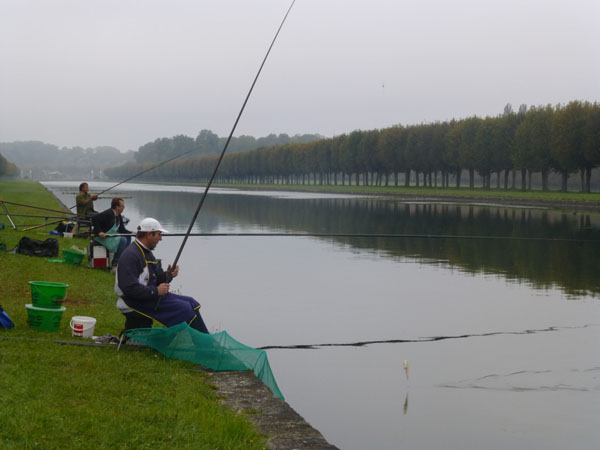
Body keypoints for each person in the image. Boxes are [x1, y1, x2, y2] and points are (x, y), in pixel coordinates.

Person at [115, 217, 209, 333]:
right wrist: (156, 291)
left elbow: (156, 279)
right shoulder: (131, 255)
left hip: (147, 296)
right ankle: (206, 346)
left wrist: (169, 275)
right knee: (184, 309)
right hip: (132, 301)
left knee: (191, 302)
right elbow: (128, 288)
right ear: (149, 234)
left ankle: (206, 342)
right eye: (159, 235)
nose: (161, 239)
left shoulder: (146, 252)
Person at [91, 197, 132, 267]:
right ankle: (115, 262)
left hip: (109, 236)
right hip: (100, 237)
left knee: (128, 237)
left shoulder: (118, 215)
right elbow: (94, 218)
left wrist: (133, 233)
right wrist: (100, 232)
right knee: (122, 240)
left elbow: (122, 230)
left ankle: (122, 259)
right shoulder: (109, 213)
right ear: (117, 207)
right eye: (122, 206)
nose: (124, 207)